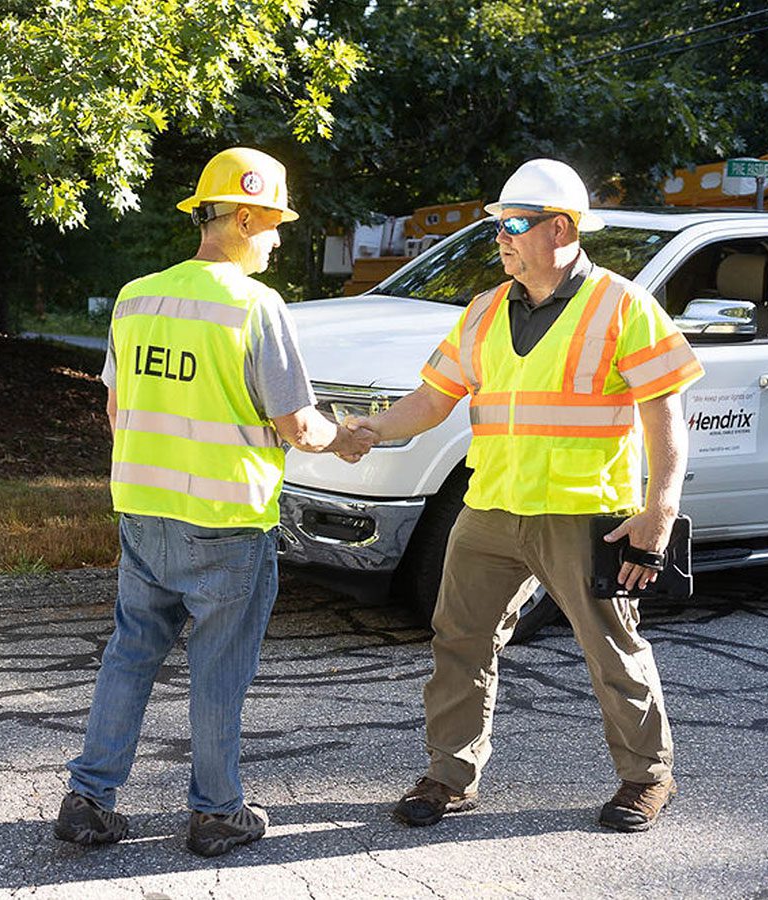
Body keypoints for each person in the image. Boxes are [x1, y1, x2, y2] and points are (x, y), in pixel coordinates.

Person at [346, 158, 704, 833]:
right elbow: (433, 398)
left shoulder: (622, 305)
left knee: (611, 649)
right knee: (459, 640)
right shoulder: (485, 309)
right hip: (490, 507)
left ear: (561, 229)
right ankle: (450, 777)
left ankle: (647, 777)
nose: (501, 237)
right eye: (498, 225)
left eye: (515, 224)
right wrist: (370, 429)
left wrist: (658, 512)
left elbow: (665, 414)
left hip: (584, 513)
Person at [54, 147, 373, 857]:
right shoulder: (256, 308)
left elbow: (116, 409)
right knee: (218, 669)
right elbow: (297, 425)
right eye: (276, 223)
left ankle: (89, 799)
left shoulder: (136, 297)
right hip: (228, 522)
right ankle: (217, 812)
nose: (281, 238)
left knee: (131, 653)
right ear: (249, 216)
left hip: (144, 511)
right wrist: (345, 438)